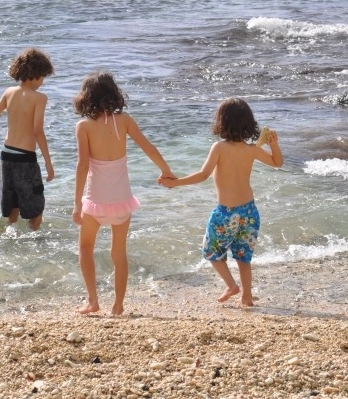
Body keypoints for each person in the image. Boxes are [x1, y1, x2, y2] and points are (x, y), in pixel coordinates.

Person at [161, 97, 283, 306]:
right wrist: (274, 144)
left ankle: (231, 285)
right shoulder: (251, 149)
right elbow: (277, 162)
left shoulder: (219, 147)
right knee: (243, 256)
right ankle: (246, 296)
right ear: (249, 123)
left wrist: (175, 182)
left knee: (211, 252)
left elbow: (203, 175)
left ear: (222, 122)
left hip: (226, 213)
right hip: (249, 211)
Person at [72, 72, 175, 316]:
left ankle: (93, 301)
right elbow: (149, 148)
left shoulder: (84, 126)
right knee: (118, 253)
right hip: (122, 201)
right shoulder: (125, 120)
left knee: (85, 248)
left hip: (96, 202)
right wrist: (166, 171)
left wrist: (77, 203)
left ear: (86, 97)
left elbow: (82, 165)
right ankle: (118, 305)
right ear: (114, 94)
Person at [0, 48, 55, 230]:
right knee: (35, 209)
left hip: (6, 157)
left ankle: (10, 237)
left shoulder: (9, 92)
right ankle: (35, 240)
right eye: (43, 77)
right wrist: (48, 162)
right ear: (36, 74)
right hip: (25, 159)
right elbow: (37, 131)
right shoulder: (39, 98)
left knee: (12, 204)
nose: (42, 82)